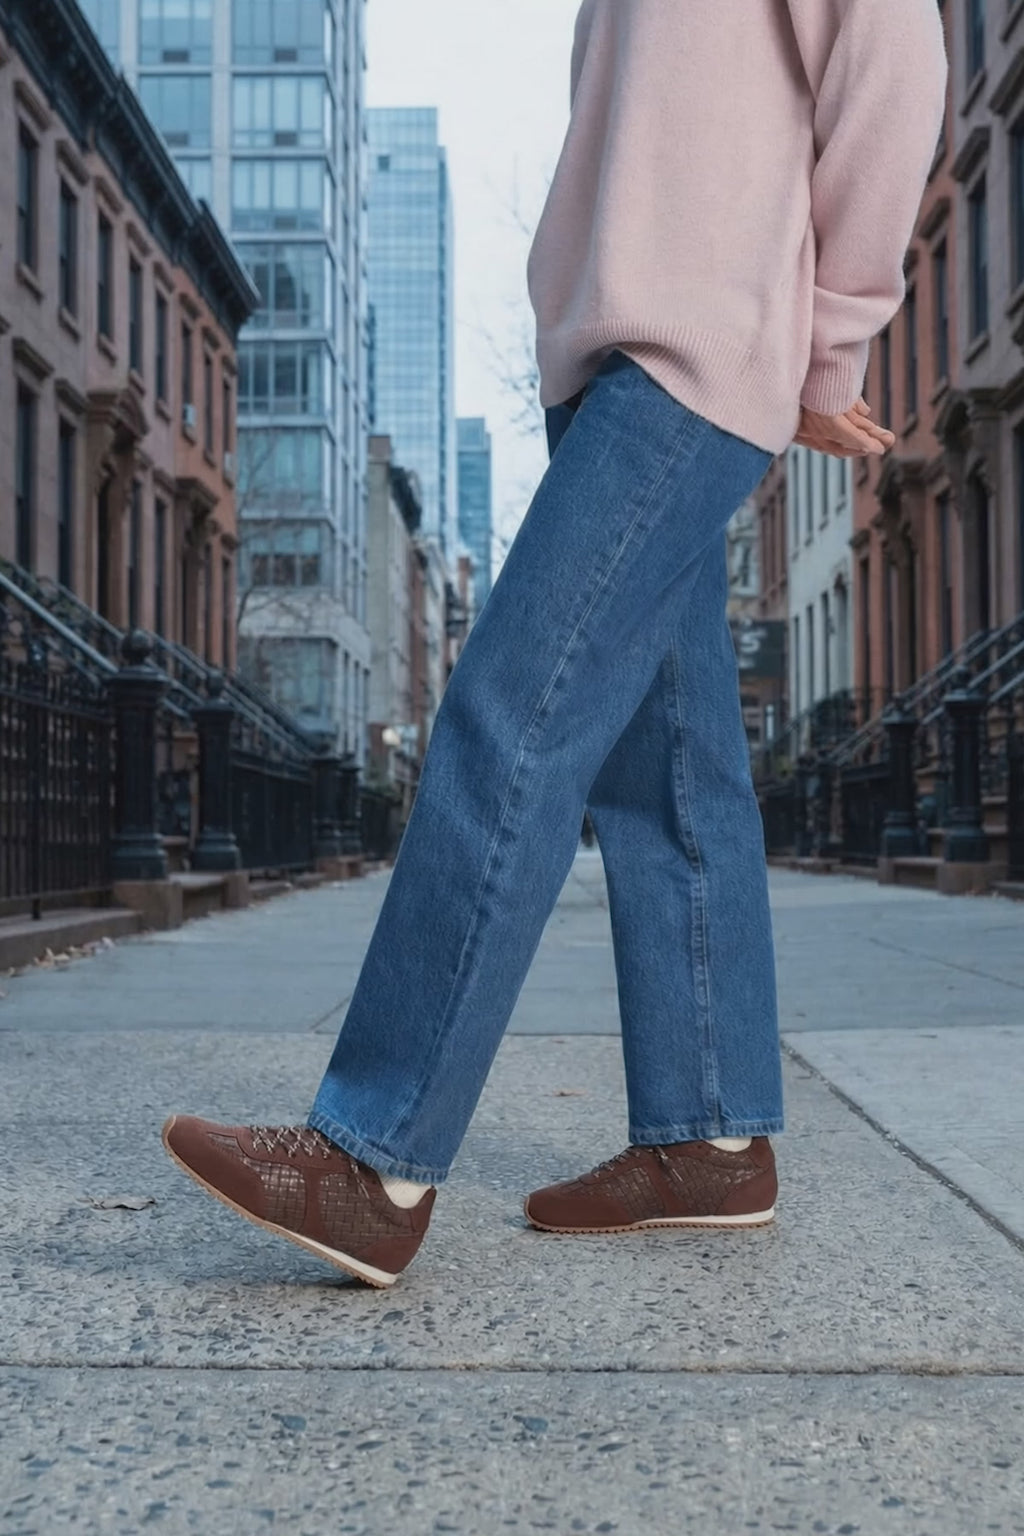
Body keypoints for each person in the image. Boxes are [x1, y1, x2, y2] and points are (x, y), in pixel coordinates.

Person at [162, 0, 948, 1288]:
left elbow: (898, 56)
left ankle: (372, 1160)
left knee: (508, 714)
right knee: (671, 772)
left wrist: (831, 344)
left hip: (688, 362)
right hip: (618, 368)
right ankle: (712, 1135)